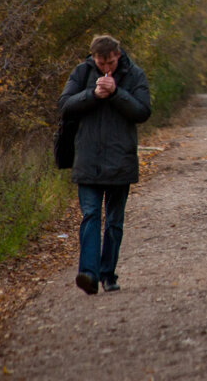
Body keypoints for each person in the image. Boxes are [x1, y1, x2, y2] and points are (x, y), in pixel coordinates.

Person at [58, 34, 151, 295]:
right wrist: (93, 94)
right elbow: (64, 105)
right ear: (93, 57)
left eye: (110, 61)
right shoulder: (81, 72)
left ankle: (108, 274)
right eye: (101, 62)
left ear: (118, 56)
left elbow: (143, 111)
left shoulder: (134, 75)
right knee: (89, 215)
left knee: (114, 221)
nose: (106, 67)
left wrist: (116, 93)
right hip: (87, 159)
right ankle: (88, 273)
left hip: (120, 161)